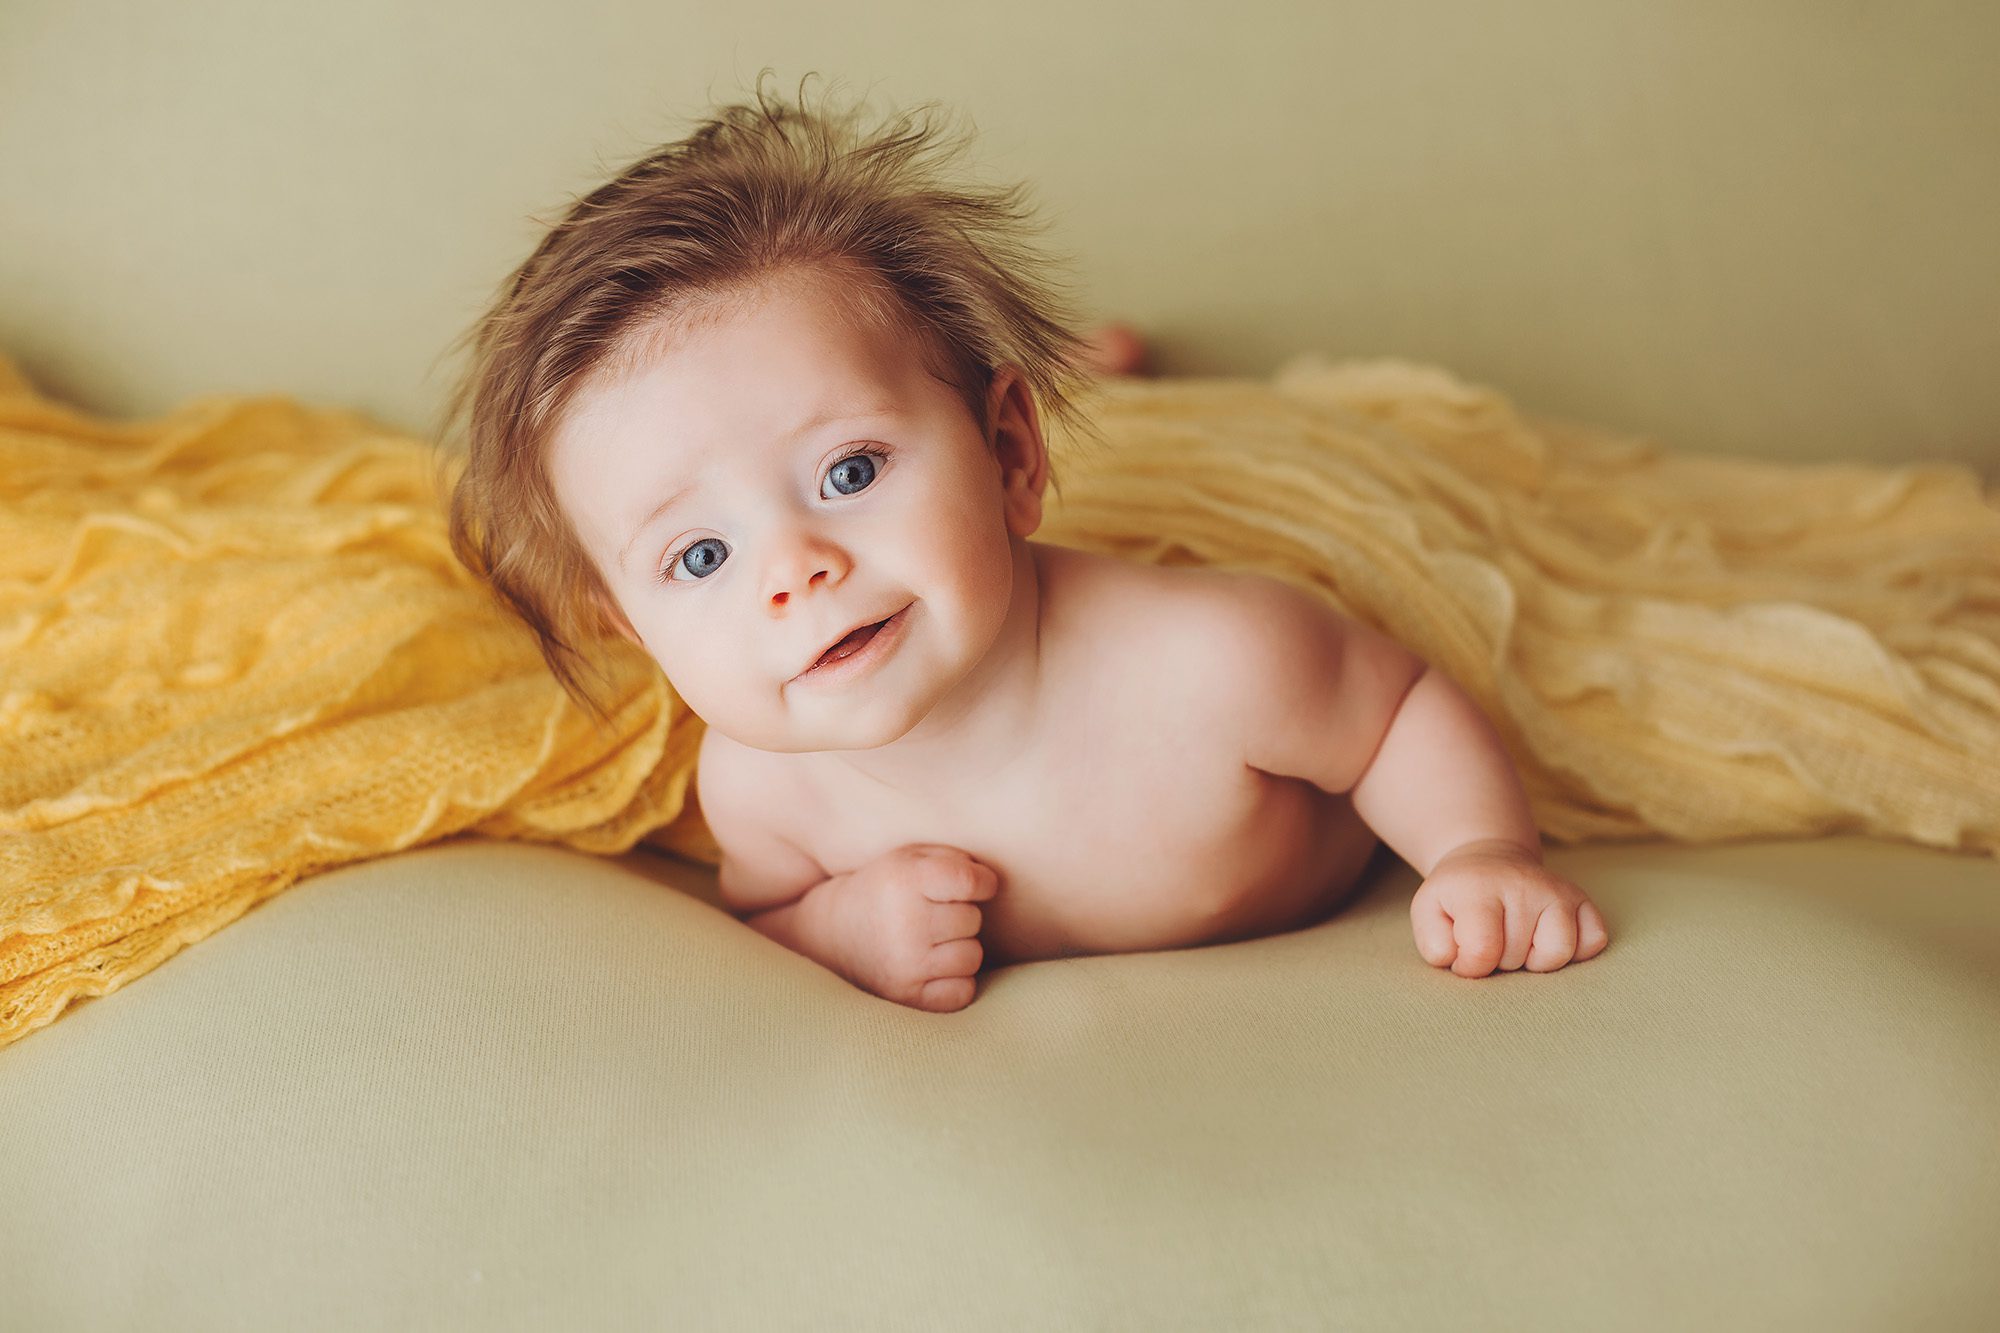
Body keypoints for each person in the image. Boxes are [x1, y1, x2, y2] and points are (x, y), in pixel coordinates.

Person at [439, 76, 1608, 1012]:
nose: (795, 571)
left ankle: (1107, 384)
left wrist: (1476, 852)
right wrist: (837, 929)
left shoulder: (1211, 661)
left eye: (849, 472)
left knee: (1222, 456)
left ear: (1010, 457)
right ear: (628, 624)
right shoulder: (761, 788)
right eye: (700, 558)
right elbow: (768, 916)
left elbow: (1394, 709)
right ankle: (1079, 382)